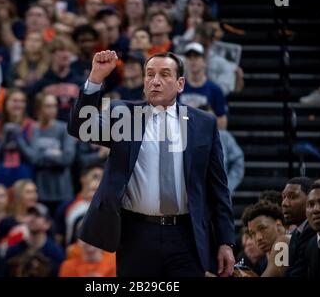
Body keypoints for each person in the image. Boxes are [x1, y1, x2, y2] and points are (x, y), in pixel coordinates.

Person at [68, 50, 235, 277]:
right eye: (150, 74)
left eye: (165, 74)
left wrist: (226, 241)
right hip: (136, 233)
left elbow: (218, 188)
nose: (155, 81)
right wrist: (96, 78)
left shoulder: (204, 123)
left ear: (180, 84)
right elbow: (81, 128)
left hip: (186, 235)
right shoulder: (124, 115)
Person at [26, 93, 76, 211]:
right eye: (48, 106)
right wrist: (53, 153)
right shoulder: (32, 129)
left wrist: (42, 154)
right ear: (39, 109)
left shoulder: (64, 128)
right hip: (40, 190)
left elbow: (67, 159)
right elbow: (33, 159)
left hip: (63, 190)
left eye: (54, 106)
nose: (52, 110)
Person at [0, 89, 35, 187]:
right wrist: (4, 137)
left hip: (23, 177)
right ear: (5, 103)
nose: (19, 104)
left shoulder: (32, 125)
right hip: (0, 176)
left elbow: (34, 158)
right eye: (15, 101)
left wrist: (18, 136)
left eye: (22, 101)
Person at [4, 205, 64, 277]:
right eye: (29, 214)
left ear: (47, 224)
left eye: (37, 215)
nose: (32, 218)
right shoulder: (13, 251)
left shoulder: (56, 253)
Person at [180, 42, 228, 129]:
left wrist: (209, 117)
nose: (193, 60)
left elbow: (222, 123)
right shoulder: (177, 88)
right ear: (185, 62)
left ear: (204, 61)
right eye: (189, 57)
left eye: (196, 57)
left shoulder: (215, 89)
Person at [54, 163, 103, 246]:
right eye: (95, 176)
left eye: (103, 178)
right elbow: (59, 238)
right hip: (74, 254)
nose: (99, 181)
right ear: (83, 178)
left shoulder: (109, 206)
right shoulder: (66, 206)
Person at [242, 200, 290, 277]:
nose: (258, 238)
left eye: (262, 228)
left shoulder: (284, 242)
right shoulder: (262, 261)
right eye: (253, 233)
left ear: (278, 224)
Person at [281, 177, 316, 277]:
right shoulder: (297, 233)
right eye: (284, 197)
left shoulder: (313, 230)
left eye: (292, 197)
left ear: (310, 199)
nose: (284, 203)